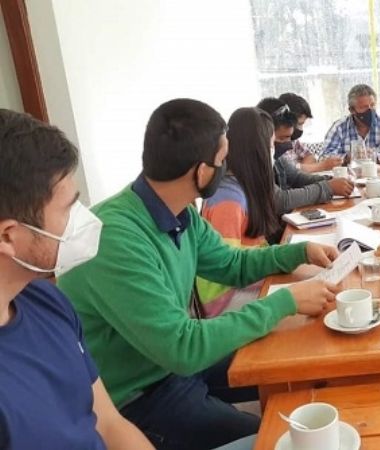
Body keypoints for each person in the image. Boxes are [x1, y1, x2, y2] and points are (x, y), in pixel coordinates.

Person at [57, 99, 343, 450]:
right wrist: (284, 302)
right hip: (139, 396)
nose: (227, 167)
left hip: (172, 364)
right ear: (202, 172)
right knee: (276, 439)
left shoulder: (179, 212)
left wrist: (298, 252)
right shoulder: (115, 239)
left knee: (294, 360)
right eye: (223, 160)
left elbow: (231, 264)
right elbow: (182, 348)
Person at [0, 109, 153, 449]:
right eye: (69, 210)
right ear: (8, 236)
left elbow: (109, 424)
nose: (84, 220)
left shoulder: (45, 300)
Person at [196, 107, 282, 317]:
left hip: (246, 285)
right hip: (223, 302)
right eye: (271, 146)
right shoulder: (229, 201)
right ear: (258, 151)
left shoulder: (242, 188)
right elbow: (225, 273)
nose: (273, 153)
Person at [257, 97, 354, 215]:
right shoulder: (256, 161)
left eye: (290, 138)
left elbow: (296, 177)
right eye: (282, 138)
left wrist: (332, 181)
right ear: (265, 133)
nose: (288, 144)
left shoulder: (276, 157)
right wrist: (328, 188)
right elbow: (280, 201)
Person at [318, 83, 380, 161]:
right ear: (352, 110)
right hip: (350, 173)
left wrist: (376, 157)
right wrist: (348, 158)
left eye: (372, 105)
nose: (370, 110)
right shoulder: (339, 127)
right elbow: (323, 157)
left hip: (378, 172)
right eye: (364, 107)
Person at [277, 92, 343, 173]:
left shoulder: (294, 141)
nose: (301, 129)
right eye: (299, 124)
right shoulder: (276, 144)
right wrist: (322, 166)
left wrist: (302, 169)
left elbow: (310, 156)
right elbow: (286, 171)